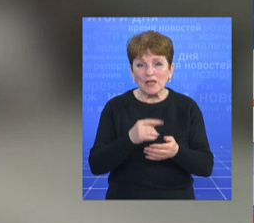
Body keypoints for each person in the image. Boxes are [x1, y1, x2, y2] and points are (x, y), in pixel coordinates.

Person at [88, 30, 214, 199]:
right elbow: (96, 165)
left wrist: (177, 152)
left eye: (158, 64)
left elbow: (206, 167)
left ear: (170, 70)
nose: (149, 72)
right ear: (131, 71)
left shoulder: (187, 107)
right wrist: (130, 138)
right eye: (140, 65)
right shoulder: (115, 107)